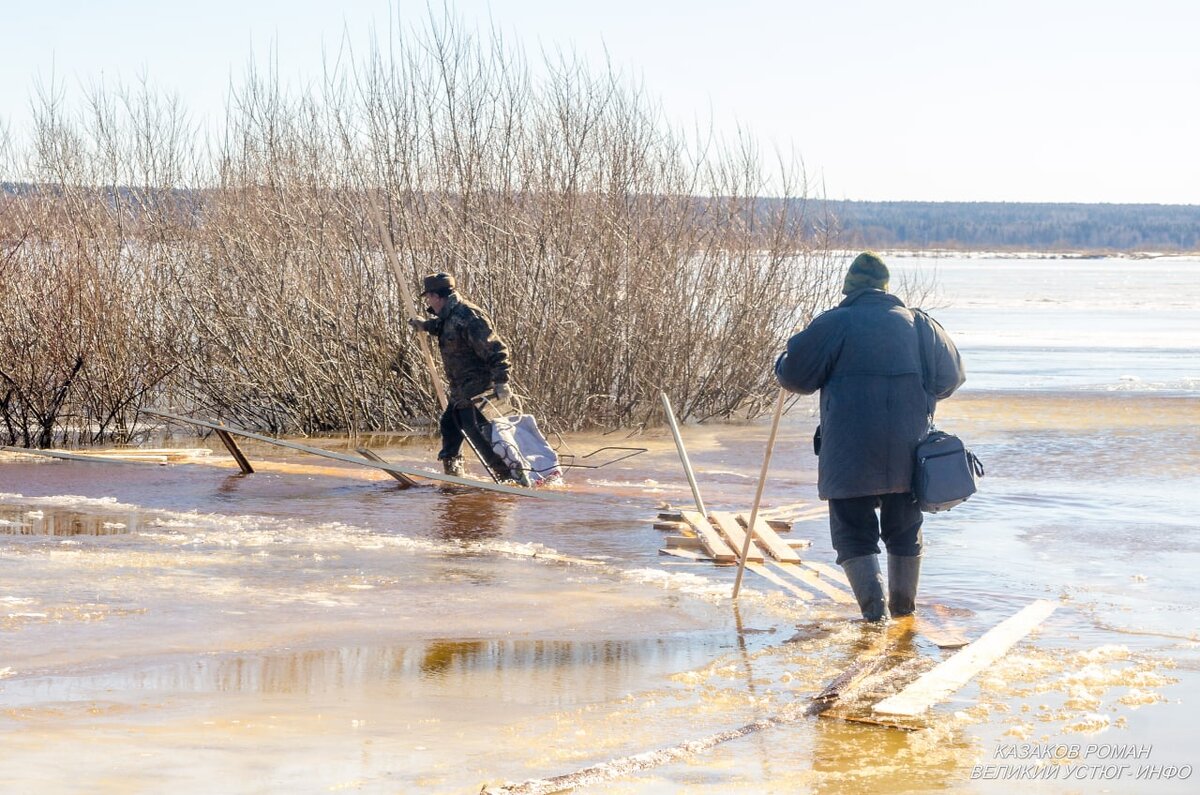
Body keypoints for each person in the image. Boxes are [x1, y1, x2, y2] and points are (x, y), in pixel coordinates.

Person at [775, 252, 965, 621]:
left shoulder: (834, 323)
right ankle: (904, 613)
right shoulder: (921, 325)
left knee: (853, 532)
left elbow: (795, 377)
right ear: (885, 287)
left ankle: (873, 616)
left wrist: (781, 363)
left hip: (849, 454)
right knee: (904, 531)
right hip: (910, 454)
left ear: (849, 289)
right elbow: (950, 379)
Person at [408, 272, 517, 481]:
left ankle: (506, 478)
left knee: (477, 434)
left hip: (477, 389)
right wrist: (425, 325)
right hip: (460, 390)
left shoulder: (469, 317)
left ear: (438, 296)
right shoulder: (448, 316)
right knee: (449, 425)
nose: (428, 302)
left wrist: (502, 382)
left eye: (429, 297)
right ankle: (453, 474)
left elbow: (496, 349)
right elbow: (443, 328)